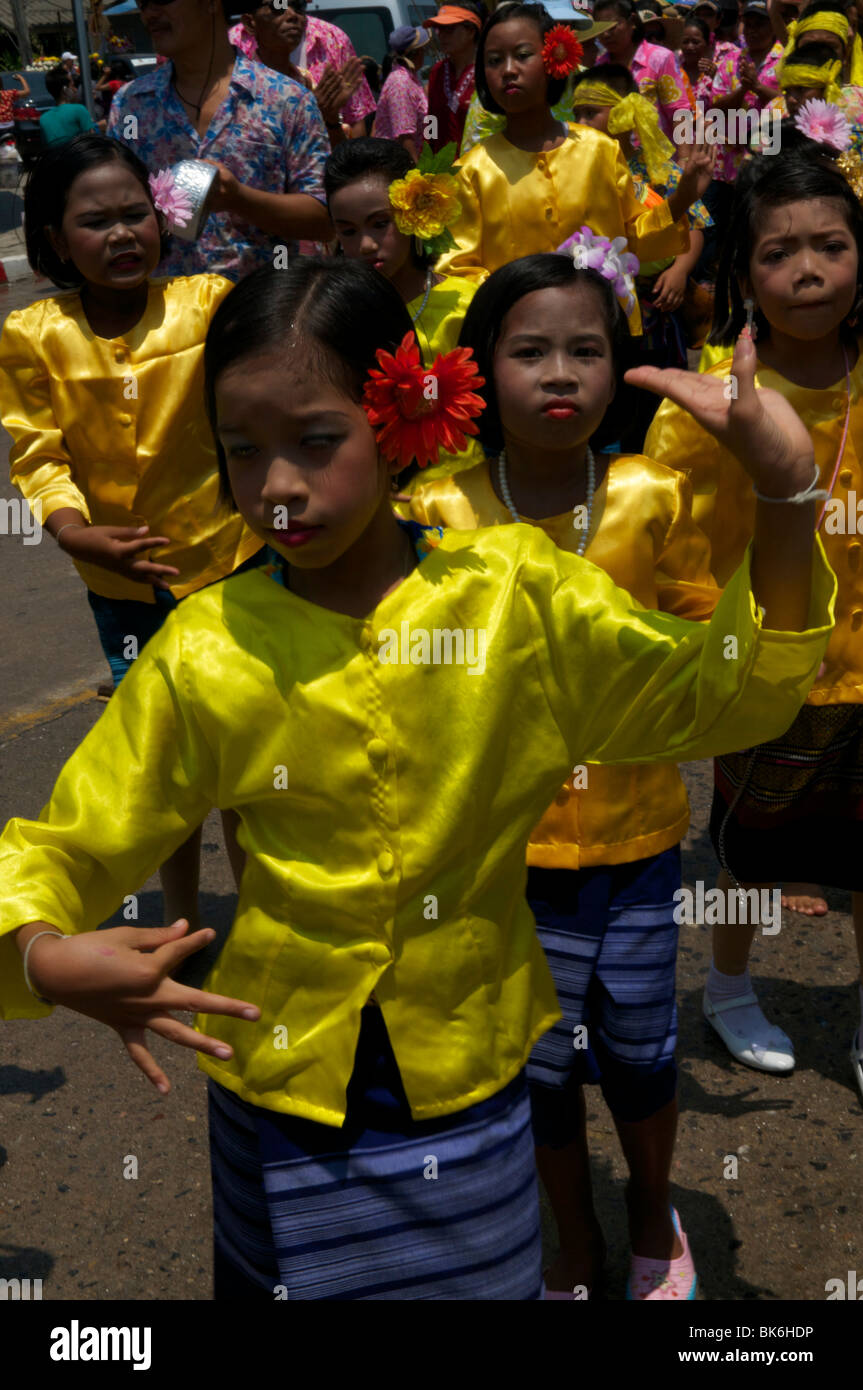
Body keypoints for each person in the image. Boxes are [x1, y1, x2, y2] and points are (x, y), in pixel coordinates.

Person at [0, 254, 836, 1300]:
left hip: (470, 1081)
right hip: (279, 1083)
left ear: (401, 423)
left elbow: (727, 698)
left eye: (314, 441)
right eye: (240, 451)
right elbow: (68, 841)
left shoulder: (515, 597)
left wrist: (785, 491)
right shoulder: (204, 645)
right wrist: (39, 952)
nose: (276, 489)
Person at [407, 252, 720, 1299]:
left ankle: (646, 1200)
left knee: (637, 1045)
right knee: (536, 1065)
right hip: (500, 856)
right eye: (527, 350)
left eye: (585, 350)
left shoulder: (647, 493)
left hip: (634, 841)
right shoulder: (436, 512)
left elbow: (699, 639)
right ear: (478, 371)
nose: (559, 373)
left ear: (619, 367)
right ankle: (570, 1232)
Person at [0, 134, 265, 930]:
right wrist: (75, 533)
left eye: (135, 215)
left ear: (161, 219)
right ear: (54, 242)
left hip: (232, 567)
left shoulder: (208, 303)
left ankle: (262, 922)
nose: (121, 235)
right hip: (125, 594)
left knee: (251, 759)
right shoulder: (34, 334)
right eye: (95, 222)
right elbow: (39, 455)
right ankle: (182, 922)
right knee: (164, 768)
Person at [644, 135, 863, 1094]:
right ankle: (728, 988)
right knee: (753, 859)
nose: (807, 273)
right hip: (771, 681)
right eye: (777, 253)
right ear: (741, 271)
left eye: (831, 245)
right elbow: (673, 551)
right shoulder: (713, 401)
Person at [437, 1, 712, 338]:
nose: (508, 69)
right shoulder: (471, 171)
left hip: (605, 333)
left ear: (555, 59)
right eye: (494, 61)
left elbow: (634, 237)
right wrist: (519, 301)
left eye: (522, 55)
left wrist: (679, 201)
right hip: (521, 337)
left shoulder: (600, 150)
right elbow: (457, 270)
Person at [110, 0, 331, 278]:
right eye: (143, 4)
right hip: (166, 314)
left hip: (259, 310)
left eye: (162, 0)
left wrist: (241, 199)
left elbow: (323, 219)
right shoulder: (131, 105)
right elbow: (115, 210)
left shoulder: (286, 100)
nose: (149, 14)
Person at [325, 136, 481, 481]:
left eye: (381, 223)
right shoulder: (335, 316)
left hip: (464, 486)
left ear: (415, 211)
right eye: (348, 231)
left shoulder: (467, 304)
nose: (365, 245)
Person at [570, 64, 711, 443]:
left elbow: (693, 226)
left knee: (659, 399)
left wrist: (680, 272)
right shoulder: (574, 171)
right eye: (576, 114)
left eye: (591, 113)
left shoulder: (659, 170)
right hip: (600, 308)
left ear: (623, 114)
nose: (580, 122)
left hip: (657, 309)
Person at [230, 0, 376, 143]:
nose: (292, 14)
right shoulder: (235, 54)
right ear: (250, 23)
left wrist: (330, 120)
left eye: (298, 5)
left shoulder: (333, 40)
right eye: (278, 4)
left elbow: (354, 136)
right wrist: (311, 112)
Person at [593, 0, 692, 136]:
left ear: (632, 21)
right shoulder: (599, 67)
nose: (606, 34)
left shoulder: (659, 59)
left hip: (659, 154)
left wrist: (685, 156)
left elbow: (679, 111)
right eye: (601, 28)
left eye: (613, 26)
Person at [426, 3, 485, 151]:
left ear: (471, 31)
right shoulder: (437, 71)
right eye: (439, 29)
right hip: (443, 167)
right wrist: (428, 151)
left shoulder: (487, 71)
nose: (440, 35)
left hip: (479, 167)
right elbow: (431, 118)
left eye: (449, 29)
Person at [373, 26, 430, 161]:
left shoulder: (412, 79)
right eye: (423, 49)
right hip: (400, 167)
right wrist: (416, 175)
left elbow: (428, 120)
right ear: (417, 53)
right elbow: (404, 136)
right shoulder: (401, 82)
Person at [40, 69, 101, 148]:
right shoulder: (79, 109)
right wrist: (96, 126)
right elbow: (92, 140)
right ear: (65, 89)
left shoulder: (44, 118)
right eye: (72, 85)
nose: (75, 90)